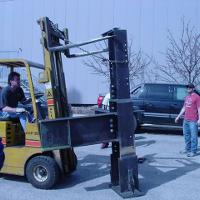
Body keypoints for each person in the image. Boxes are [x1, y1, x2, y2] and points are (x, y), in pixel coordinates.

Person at [175, 83, 200, 157]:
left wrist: (199, 119)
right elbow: (184, 108)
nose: (188, 89)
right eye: (187, 88)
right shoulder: (187, 97)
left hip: (193, 120)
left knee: (193, 136)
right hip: (186, 119)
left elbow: (199, 108)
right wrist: (178, 116)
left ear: (193, 88)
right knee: (186, 135)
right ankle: (187, 149)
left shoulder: (197, 97)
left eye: (190, 87)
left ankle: (193, 151)